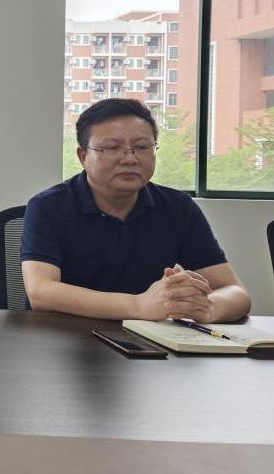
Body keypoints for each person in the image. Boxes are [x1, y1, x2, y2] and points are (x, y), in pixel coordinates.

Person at [21, 98, 250, 322]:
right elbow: (41, 292)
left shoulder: (177, 207)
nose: (130, 158)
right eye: (112, 148)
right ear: (83, 156)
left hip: (145, 339)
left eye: (141, 147)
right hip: (64, 337)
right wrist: (139, 305)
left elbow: (236, 292)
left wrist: (207, 308)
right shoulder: (48, 207)